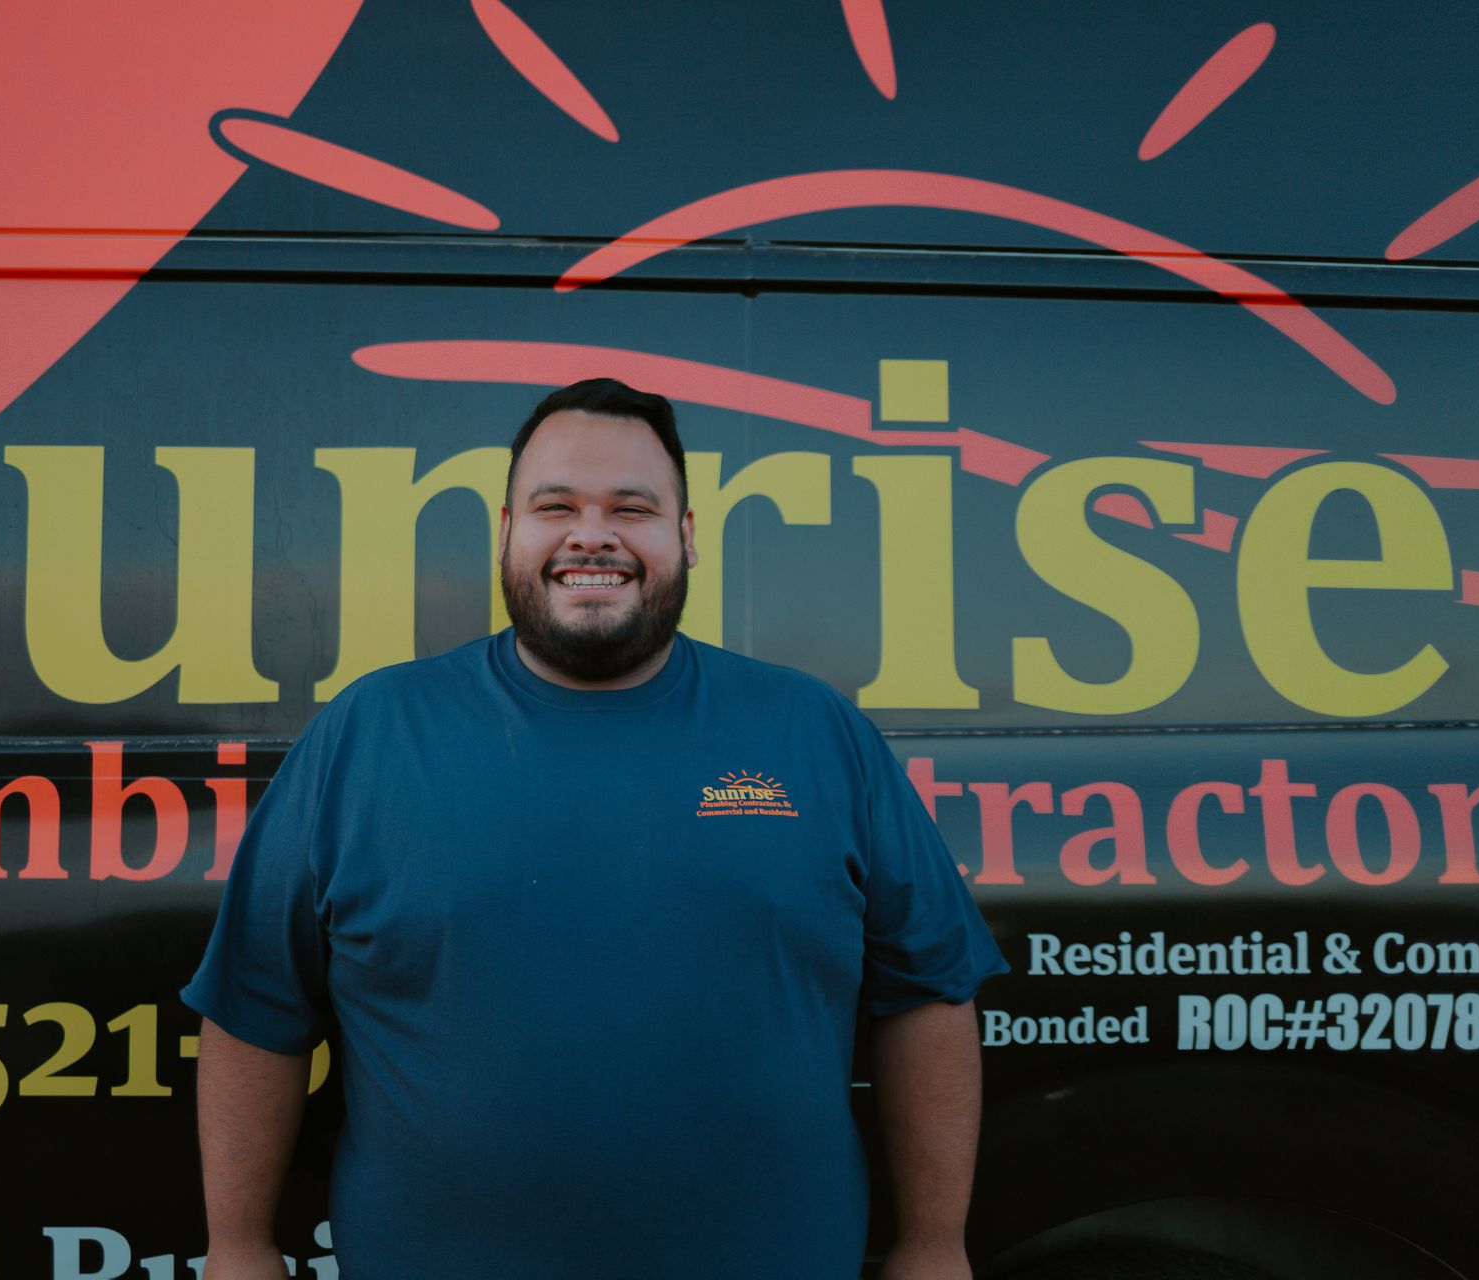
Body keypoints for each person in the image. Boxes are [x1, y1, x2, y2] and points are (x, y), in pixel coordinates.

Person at [184, 377, 1009, 1280]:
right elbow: (256, 1004)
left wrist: (934, 1247)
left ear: (685, 537)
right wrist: (238, 1248)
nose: (592, 534)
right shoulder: (369, 732)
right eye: (556, 506)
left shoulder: (813, 731)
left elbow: (927, 991)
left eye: (632, 507)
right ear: (505, 530)